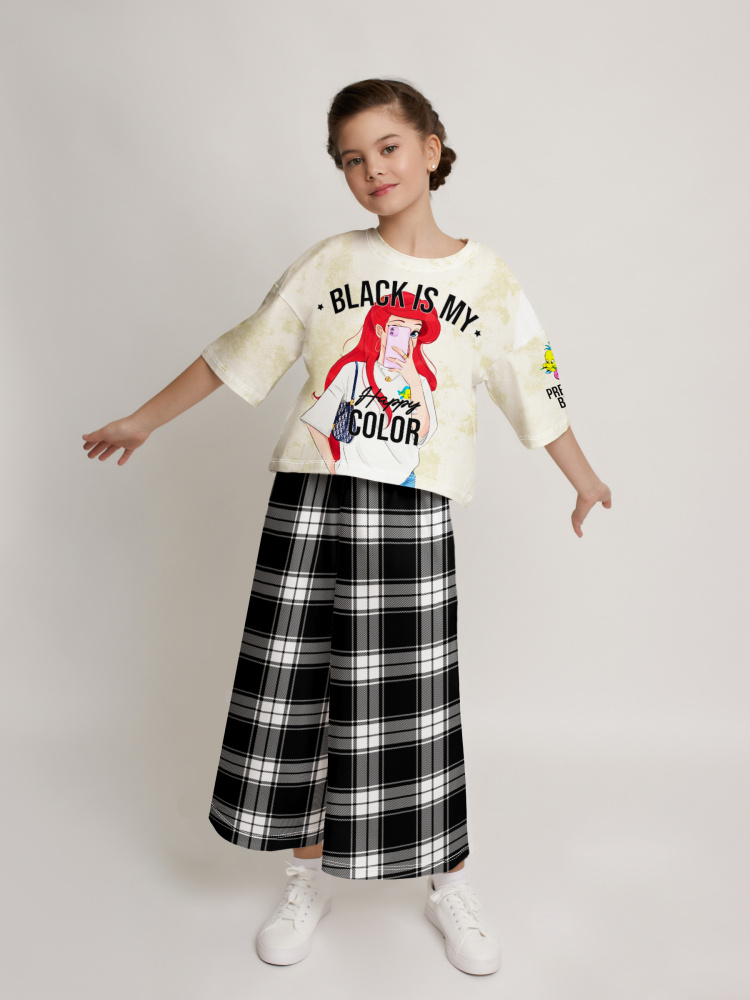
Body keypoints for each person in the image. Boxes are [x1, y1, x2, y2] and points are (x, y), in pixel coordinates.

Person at [81, 78, 612, 978]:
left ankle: (448, 884)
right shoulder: (328, 264)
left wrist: (584, 478)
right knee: (302, 691)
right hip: (312, 504)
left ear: (432, 148)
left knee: (414, 701)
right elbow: (238, 351)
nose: (373, 170)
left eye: (389, 148)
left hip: (413, 514)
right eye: (352, 159)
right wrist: (143, 419)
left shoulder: (487, 280)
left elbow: (537, 387)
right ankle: (308, 874)